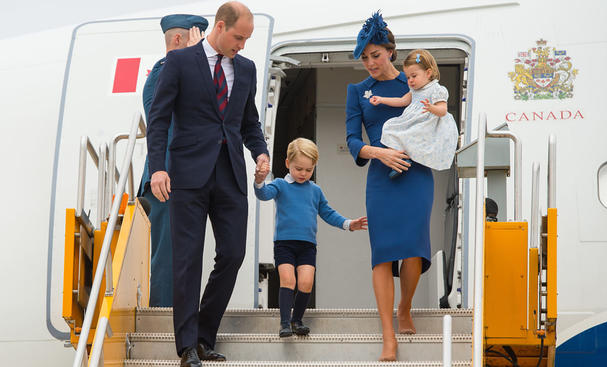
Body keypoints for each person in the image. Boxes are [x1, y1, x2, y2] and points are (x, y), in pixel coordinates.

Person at [146, 2, 270, 367]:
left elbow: (249, 122)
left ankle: (203, 336)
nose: (242, 45)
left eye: (247, 39)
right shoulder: (180, 62)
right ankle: (186, 347)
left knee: (233, 254)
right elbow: (159, 117)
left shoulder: (245, 69)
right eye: (238, 37)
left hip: (230, 172)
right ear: (219, 26)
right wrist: (158, 168)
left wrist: (260, 155)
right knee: (187, 260)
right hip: (187, 174)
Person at [345, 11, 433, 361]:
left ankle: (405, 306)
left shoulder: (413, 84)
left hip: (416, 174)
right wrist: (379, 152)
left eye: (375, 55)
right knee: (382, 254)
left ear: (391, 53)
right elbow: (353, 140)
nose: (369, 63)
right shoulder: (358, 91)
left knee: (414, 249)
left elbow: (434, 124)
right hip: (381, 178)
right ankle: (387, 335)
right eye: (364, 57)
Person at [253, 138, 368, 337]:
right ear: (288, 164)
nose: (303, 174)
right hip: (284, 244)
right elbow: (263, 195)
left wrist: (349, 224)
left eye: (308, 170)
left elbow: (328, 213)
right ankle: (285, 323)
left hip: (307, 246)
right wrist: (259, 180)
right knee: (288, 280)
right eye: (299, 169)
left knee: (306, 282)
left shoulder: (315, 190)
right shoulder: (280, 185)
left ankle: (297, 320)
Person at [138, 14, 208, 308]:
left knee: (181, 254)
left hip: (181, 179)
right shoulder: (165, 71)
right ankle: (165, 319)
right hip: (166, 179)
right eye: (199, 41)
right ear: (179, 40)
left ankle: (179, 318)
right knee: (168, 255)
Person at [369, 49, 458, 178]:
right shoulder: (414, 91)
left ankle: (408, 157)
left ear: (428, 73)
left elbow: (443, 111)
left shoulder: (437, 90)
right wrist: (382, 100)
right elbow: (402, 101)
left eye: (414, 76)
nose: (410, 80)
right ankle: (401, 157)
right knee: (389, 126)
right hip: (413, 120)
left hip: (426, 122)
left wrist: (431, 108)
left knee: (413, 135)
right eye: (408, 77)